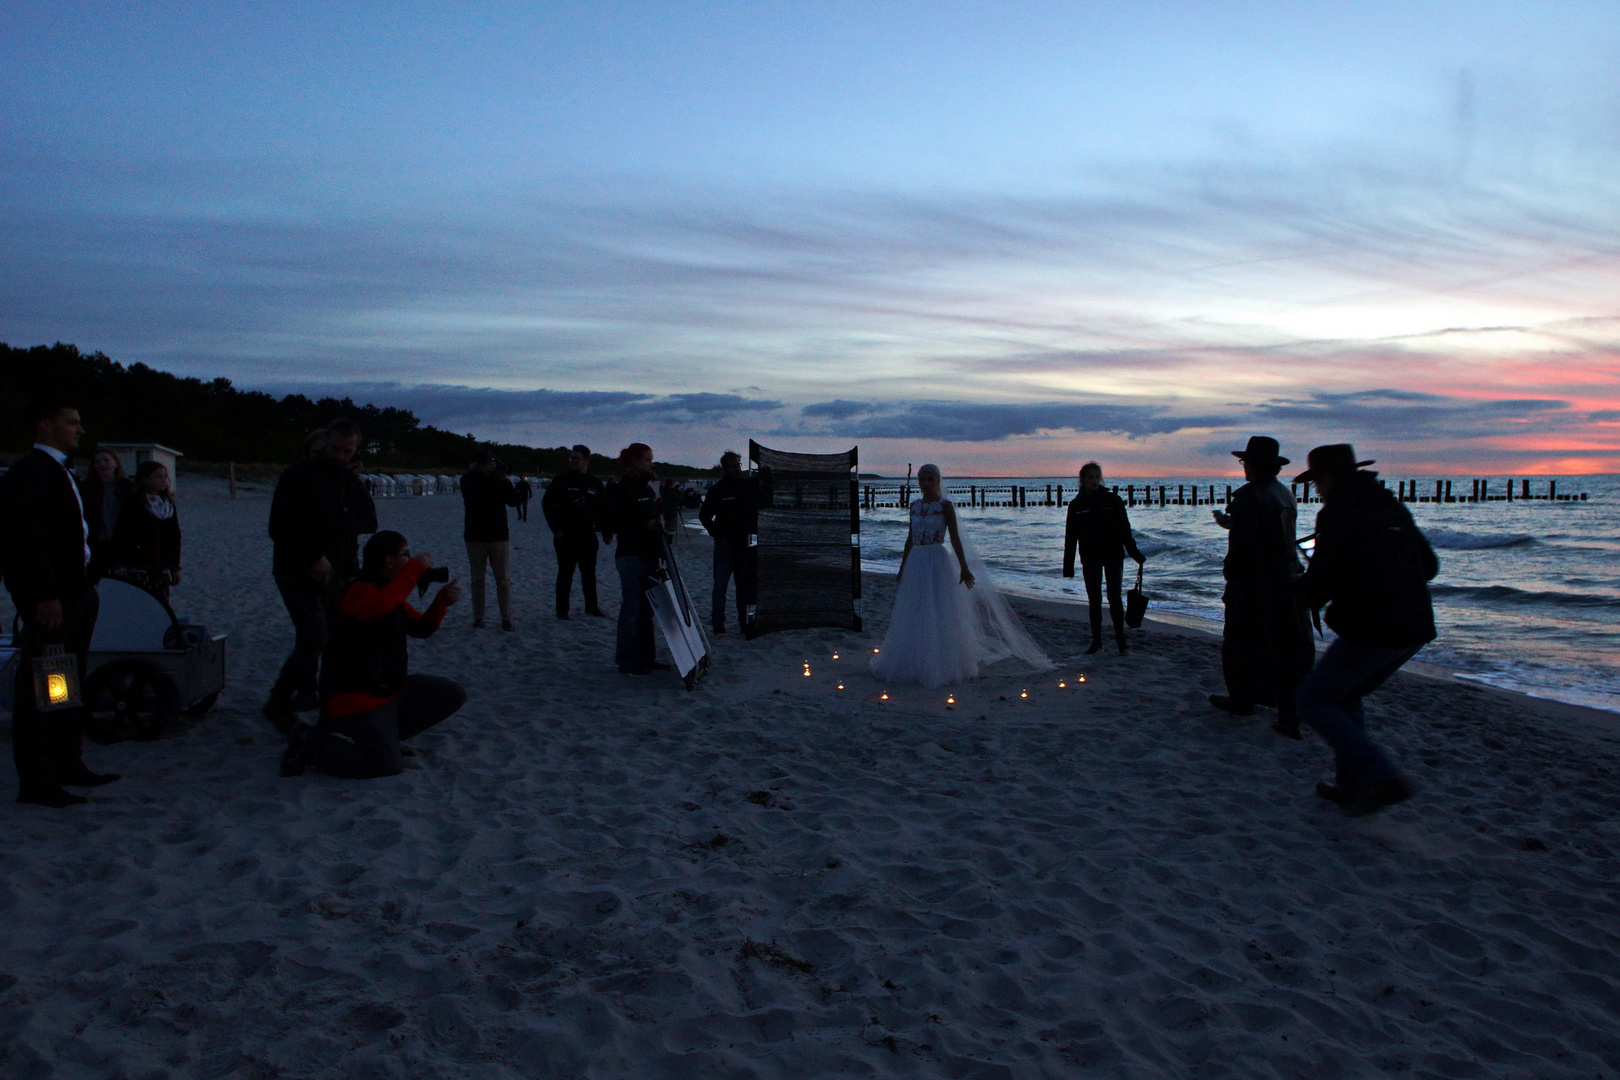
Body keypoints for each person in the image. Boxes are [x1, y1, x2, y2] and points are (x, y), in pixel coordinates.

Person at [1294, 444, 1439, 815]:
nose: (1316, 492)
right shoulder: (1390, 504)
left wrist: (1290, 589)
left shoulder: (1337, 512)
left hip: (1375, 627)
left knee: (1312, 698)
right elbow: (1429, 566)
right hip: (1416, 626)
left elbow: (1321, 582)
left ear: (1328, 478)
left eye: (1316, 483)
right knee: (1344, 696)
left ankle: (1379, 775)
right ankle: (1353, 785)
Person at [0, 396, 120, 807]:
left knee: (65, 685)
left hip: (77, 594)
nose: (80, 430)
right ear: (45, 426)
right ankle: (37, 780)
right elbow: (22, 542)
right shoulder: (29, 474)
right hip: (54, 602)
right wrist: (43, 595)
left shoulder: (61, 473)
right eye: (72, 422)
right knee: (42, 690)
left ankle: (68, 762)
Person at [281, 531, 466, 779]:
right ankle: (308, 741)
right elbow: (379, 607)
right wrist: (414, 569)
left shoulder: (389, 593)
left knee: (451, 694)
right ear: (389, 561)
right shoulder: (359, 591)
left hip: (387, 692)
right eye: (406, 555)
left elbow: (422, 628)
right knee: (385, 766)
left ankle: (385, 736)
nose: (410, 559)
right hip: (355, 700)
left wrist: (441, 602)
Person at [872, 464, 1050, 687]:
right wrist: (902, 566)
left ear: (937, 481)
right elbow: (910, 537)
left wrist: (965, 567)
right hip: (917, 561)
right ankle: (912, 659)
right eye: (921, 479)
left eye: (929, 479)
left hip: (937, 559)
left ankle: (941, 660)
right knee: (915, 608)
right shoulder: (915, 506)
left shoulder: (945, 506)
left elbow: (955, 537)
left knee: (939, 608)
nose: (925, 484)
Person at [265, 418, 378, 729]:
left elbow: (370, 521)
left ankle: (321, 695)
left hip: (336, 572)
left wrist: (341, 523)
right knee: (313, 637)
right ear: (325, 442)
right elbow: (279, 527)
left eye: (347, 451)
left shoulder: (349, 482)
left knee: (336, 640)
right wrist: (314, 555)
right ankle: (279, 700)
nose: (340, 455)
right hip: (294, 570)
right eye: (335, 449)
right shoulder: (297, 476)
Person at [1208, 436, 1315, 738]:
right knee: (1284, 650)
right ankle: (1288, 713)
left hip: (1255, 583)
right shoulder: (1284, 494)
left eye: (1245, 463)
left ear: (1253, 465)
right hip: (1286, 578)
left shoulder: (1248, 496)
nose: (1244, 468)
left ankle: (1242, 699)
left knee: (1238, 643)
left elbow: (1240, 545)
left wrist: (1230, 574)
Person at [1062, 462, 1146, 654]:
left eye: (1096, 477)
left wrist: (1135, 554)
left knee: (1114, 598)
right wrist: (1068, 566)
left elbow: (1125, 530)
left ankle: (1120, 639)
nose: (1093, 481)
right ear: (1082, 479)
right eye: (1090, 477)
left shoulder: (1112, 500)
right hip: (1090, 557)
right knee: (1094, 600)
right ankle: (1097, 640)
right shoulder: (1076, 506)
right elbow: (1070, 537)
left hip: (1113, 555)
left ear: (1100, 478)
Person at [604, 443, 668, 676]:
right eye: (646, 460)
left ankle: (646, 658)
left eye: (651, 460)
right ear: (634, 461)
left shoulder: (647, 489)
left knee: (647, 609)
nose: (650, 464)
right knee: (632, 608)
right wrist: (643, 525)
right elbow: (611, 522)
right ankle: (628, 661)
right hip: (631, 555)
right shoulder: (621, 489)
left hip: (650, 554)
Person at [541, 444, 606, 620]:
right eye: (571, 458)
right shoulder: (562, 480)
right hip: (566, 534)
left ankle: (591, 607)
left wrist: (605, 530)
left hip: (588, 534)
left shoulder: (595, 483)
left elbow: (603, 508)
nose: (573, 461)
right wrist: (556, 528)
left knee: (589, 573)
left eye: (576, 459)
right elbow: (547, 503)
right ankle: (562, 611)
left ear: (586, 461)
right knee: (565, 573)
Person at [460, 449, 520, 631]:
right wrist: (495, 479)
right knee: (478, 580)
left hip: (497, 536)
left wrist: (505, 481)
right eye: (488, 463)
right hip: (476, 537)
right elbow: (476, 495)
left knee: (502, 580)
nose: (491, 467)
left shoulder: (499, 480)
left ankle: (506, 618)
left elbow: (514, 501)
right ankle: (478, 617)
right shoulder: (468, 479)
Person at [698, 451, 757, 635]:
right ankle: (718, 624)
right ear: (725, 468)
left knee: (743, 586)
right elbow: (704, 515)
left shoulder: (747, 487)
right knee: (720, 586)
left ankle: (743, 621)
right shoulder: (717, 490)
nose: (737, 468)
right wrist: (717, 533)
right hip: (724, 545)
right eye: (733, 465)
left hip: (743, 544)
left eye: (739, 464)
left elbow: (763, 502)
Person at [109, 460, 182, 602]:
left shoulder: (167, 505)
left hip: (162, 567)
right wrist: (119, 564)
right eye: (158, 476)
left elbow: (175, 537)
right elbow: (121, 535)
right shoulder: (134, 504)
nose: (163, 480)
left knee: (161, 603)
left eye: (164, 476)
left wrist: (175, 567)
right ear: (145, 480)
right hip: (138, 565)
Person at [80, 447, 133, 577]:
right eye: (97, 462)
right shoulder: (86, 488)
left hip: (123, 542)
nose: (102, 464)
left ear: (115, 463)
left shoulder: (128, 487)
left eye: (106, 460)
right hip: (97, 542)